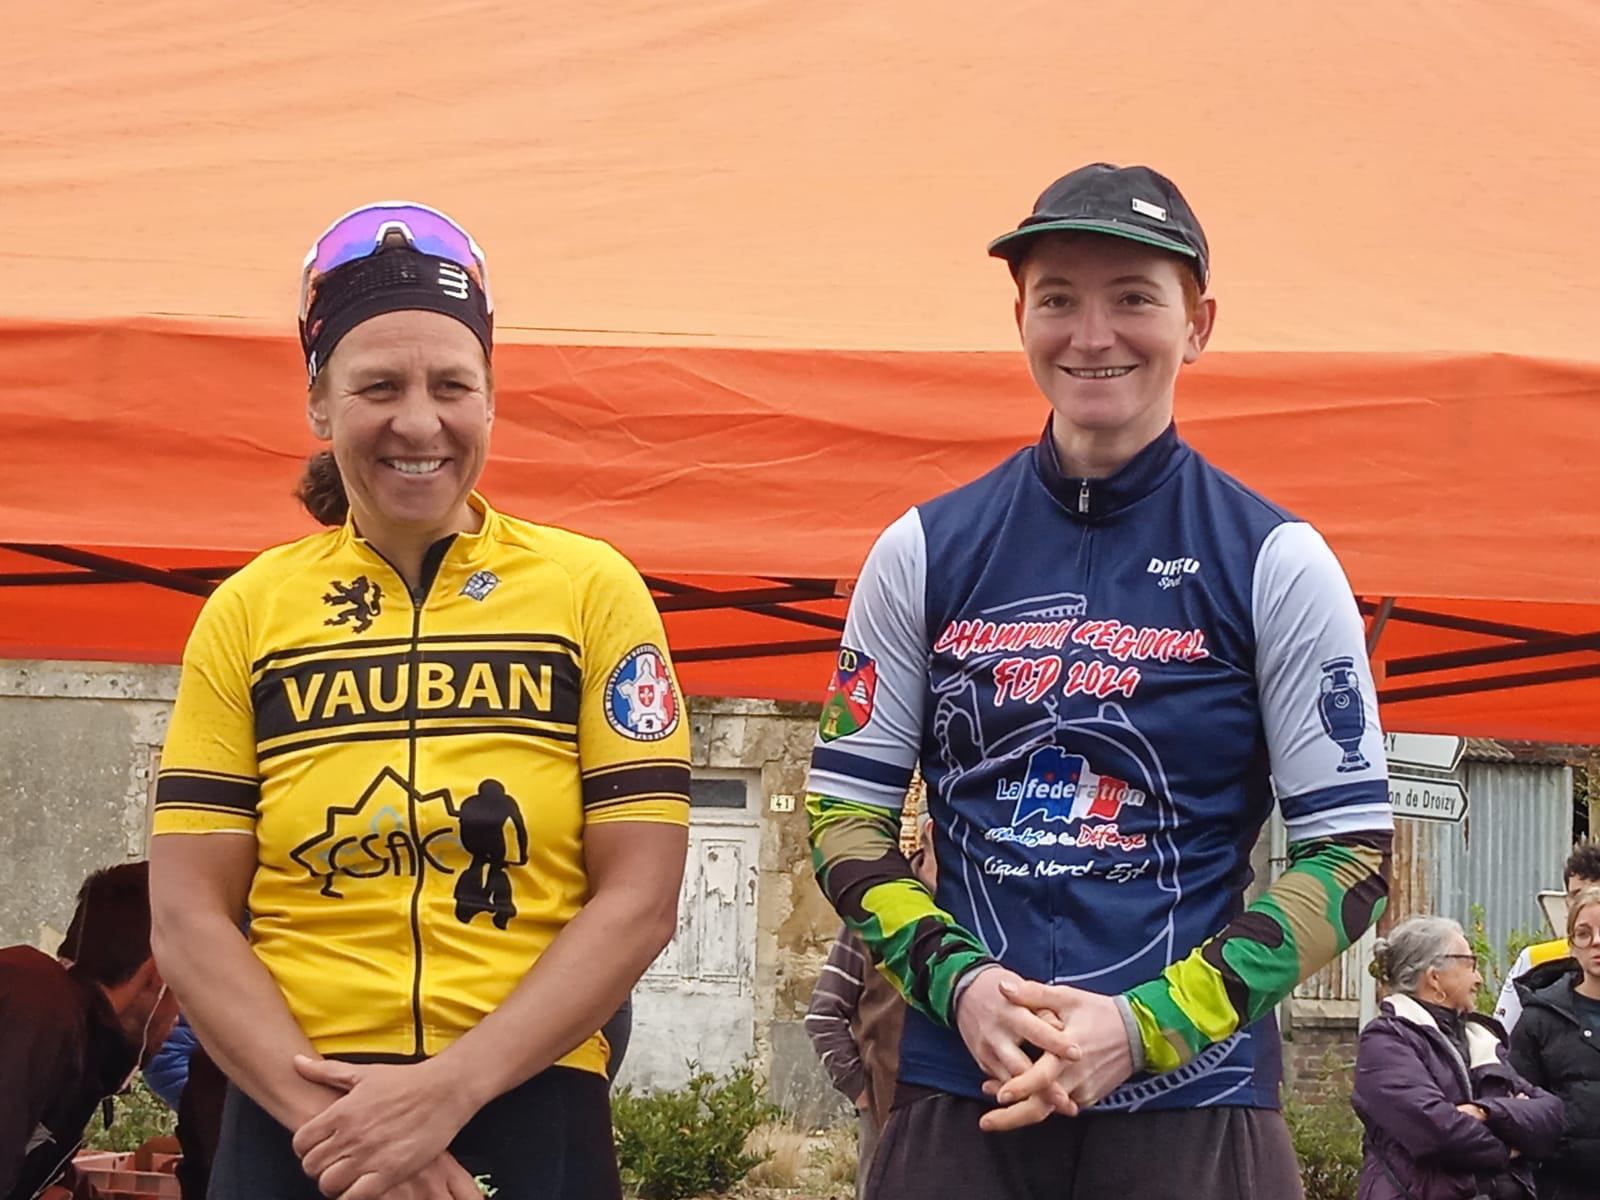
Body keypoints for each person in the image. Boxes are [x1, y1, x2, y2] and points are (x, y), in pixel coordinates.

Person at [804, 163, 1394, 1199]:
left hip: (1194, 1101)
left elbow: (1350, 857)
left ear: (1197, 325)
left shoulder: (1277, 558)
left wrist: (1144, 1026)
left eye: (1132, 298)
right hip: (961, 1084)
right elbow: (842, 819)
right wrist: (961, 987)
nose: (1091, 335)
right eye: (1058, 300)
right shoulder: (922, 549)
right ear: (1020, 319)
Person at [148, 202, 692, 1200]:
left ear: (491, 400)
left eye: (451, 385)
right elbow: (187, 917)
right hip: (298, 1106)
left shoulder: (591, 590)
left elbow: (641, 897)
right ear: (319, 404)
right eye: (378, 386)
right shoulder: (247, 612)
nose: (417, 421)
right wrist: (351, 1134)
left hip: (529, 1094)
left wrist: (447, 1092)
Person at [1, 862, 180, 1200]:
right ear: (160, 974)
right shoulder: (37, 1008)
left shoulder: (78, 1035)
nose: (184, 1014)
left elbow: (48, 1175)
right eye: (192, 982)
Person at [1352, 915, 1562, 1200]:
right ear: (1434, 977)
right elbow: (1435, 1131)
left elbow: (1550, 1114)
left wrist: (1486, 1112)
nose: (1479, 979)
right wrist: (1510, 1147)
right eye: (1470, 963)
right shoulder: (1386, 1040)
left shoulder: (1479, 1040)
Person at [806, 811, 935, 1198]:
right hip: (887, 1114)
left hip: (966, 1124)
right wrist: (864, 1096)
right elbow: (823, 1015)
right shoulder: (879, 909)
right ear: (932, 832)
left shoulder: (983, 912)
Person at [1508, 885, 1600, 1200]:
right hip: (1562, 1186)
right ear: (1571, 945)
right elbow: (1521, 1109)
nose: (1596, 942)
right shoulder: (1540, 1019)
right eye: (1584, 934)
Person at [1495, 841, 1600, 1031]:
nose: (1584, 902)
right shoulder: (1535, 959)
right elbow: (1502, 1032)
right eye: (1576, 894)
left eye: (1594, 893)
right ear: (1566, 901)